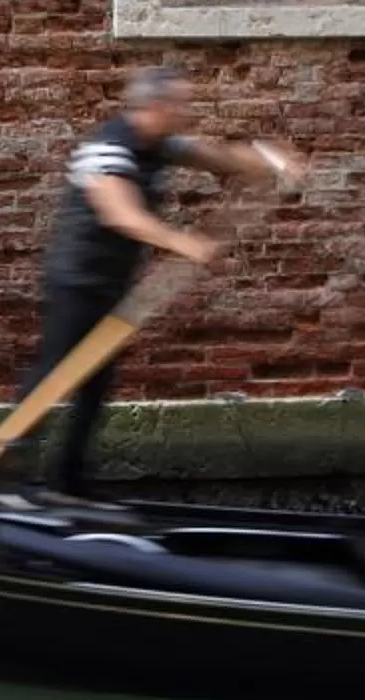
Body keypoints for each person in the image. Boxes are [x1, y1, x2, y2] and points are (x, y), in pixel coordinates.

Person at [22, 69, 299, 501]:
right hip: (77, 282)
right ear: (155, 108)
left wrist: (272, 161)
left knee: (96, 386)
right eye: (178, 106)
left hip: (112, 285)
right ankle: (0, 479)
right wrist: (181, 242)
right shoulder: (108, 150)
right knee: (52, 378)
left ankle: (68, 483)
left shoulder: (159, 145)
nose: (184, 114)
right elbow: (120, 213)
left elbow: (217, 158)